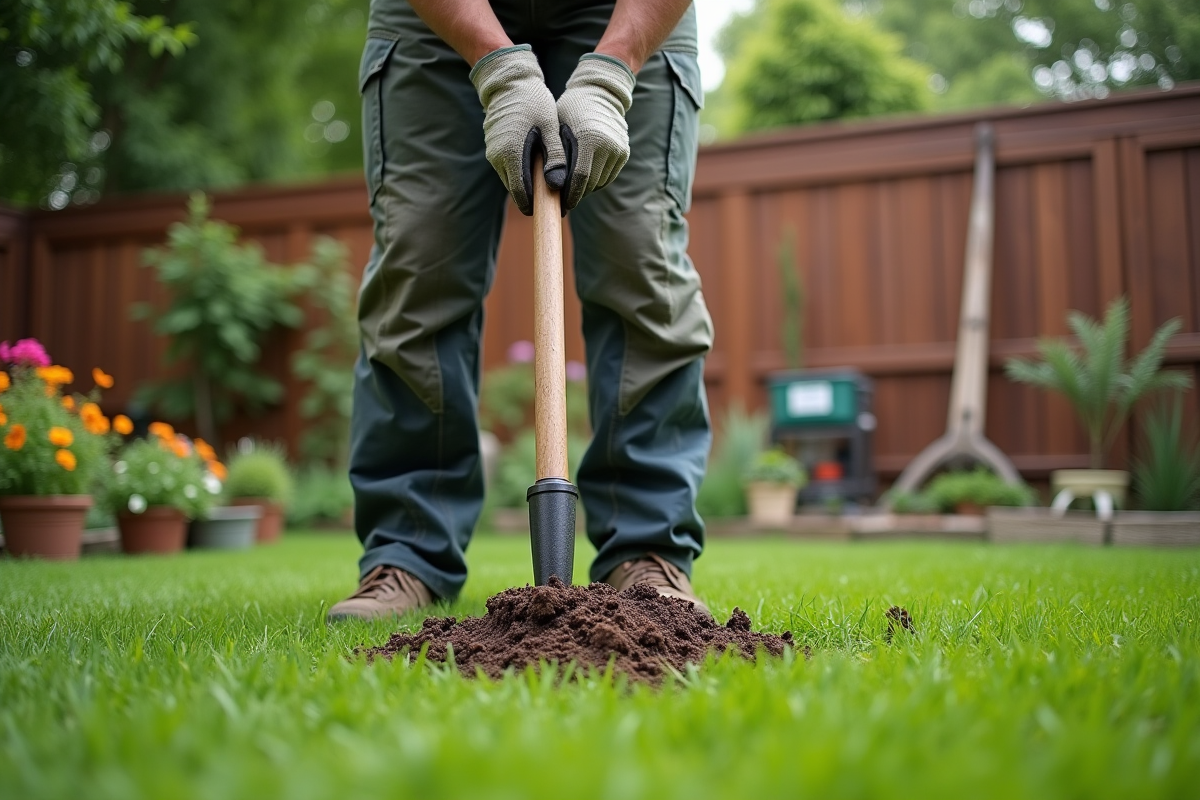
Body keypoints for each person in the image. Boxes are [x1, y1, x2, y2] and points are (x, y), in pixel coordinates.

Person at [328, 0, 714, 621]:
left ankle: (647, 553)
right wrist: (499, 69)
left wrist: (616, 69)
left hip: (626, 12)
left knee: (642, 269)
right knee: (418, 272)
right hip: (434, 21)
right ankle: (406, 553)